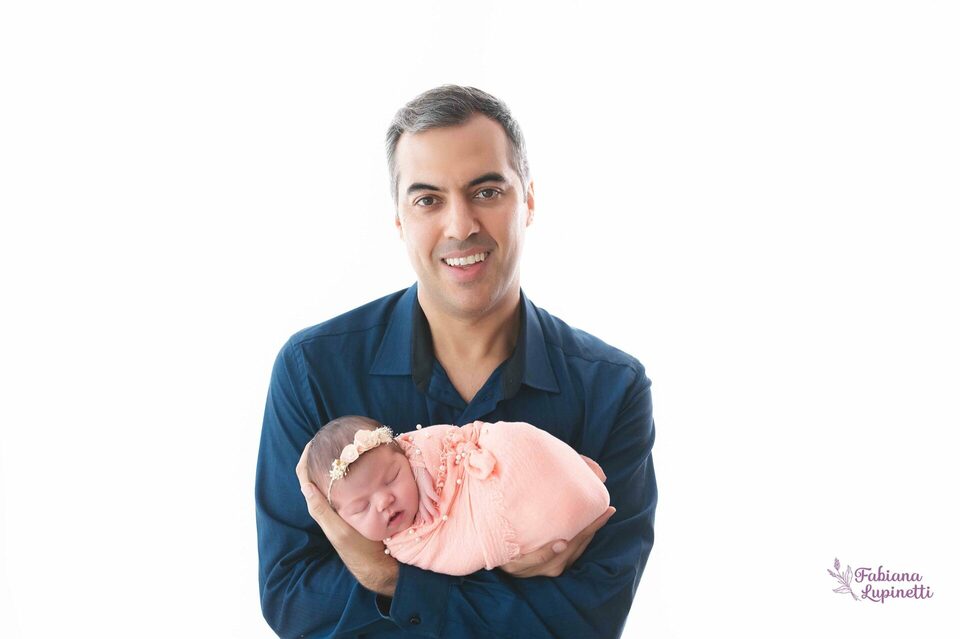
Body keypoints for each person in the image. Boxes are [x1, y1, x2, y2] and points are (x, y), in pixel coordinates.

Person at [255, 84, 657, 638]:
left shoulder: (612, 390)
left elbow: (589, 621)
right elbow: (294, 602)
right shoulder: (312, 370)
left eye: (486, 191)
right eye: (428, 200)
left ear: (528, 201)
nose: (461, 225)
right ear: (399, 219)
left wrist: (383, 577)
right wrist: (446, 584)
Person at [304, 416, 611, 576]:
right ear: (339, 521)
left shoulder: (413, 451)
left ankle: (566, 480)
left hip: (485, 462)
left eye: (392, 478)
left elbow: (444, 438)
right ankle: (568, 499)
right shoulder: (403, 549)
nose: (384, 501)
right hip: (495, 522)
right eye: (361, 507)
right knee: (536, 516)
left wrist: (422, 467)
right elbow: (451, 557)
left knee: (514, 457)